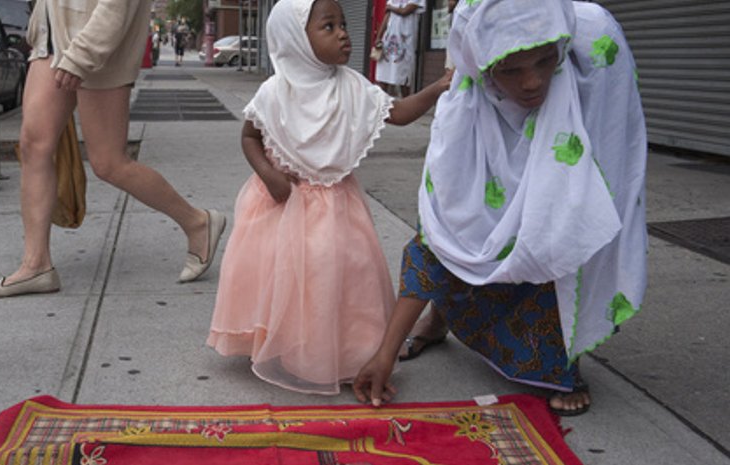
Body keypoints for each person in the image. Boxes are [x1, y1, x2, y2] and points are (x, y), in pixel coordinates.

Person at [353, 0, 647, 416]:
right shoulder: (464, 109)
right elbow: (436, 239)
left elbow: (596, 200)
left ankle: (565, 354)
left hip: (577, 135)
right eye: (510, 70)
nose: (532, 83)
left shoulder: (590, 55)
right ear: (481, 68)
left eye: (544, 61)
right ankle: (437, 320)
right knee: (455, 220)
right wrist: (385, 352)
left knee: (571, 223)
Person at [206, 0, 451, 395]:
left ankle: (343, 350)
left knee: (336, 277)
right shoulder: (274, 91)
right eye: (329, 26)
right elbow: (250, 137)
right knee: (280, 277)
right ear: (294, 39)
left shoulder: (352, 85)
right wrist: (268, 174)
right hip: (281, 203)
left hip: (336, 206)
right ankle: (283, 342)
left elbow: (399, 112)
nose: (343, 34)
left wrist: (437, 88)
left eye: (343, 25)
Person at [0, 0, 226, 298]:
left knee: (109, 163)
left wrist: (83, 55)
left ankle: (198, 223)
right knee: (33, 146)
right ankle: (36, 265)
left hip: (96, 45)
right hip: (50, 40)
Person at [372, 0, 426, 97]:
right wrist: (379, 37)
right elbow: (386, 17)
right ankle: (382, 103)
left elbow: (405, 11)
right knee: (383, 77)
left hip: (405, 42)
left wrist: (390, 8)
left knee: (403, 79)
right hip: (388, 41)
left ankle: (406, 103)